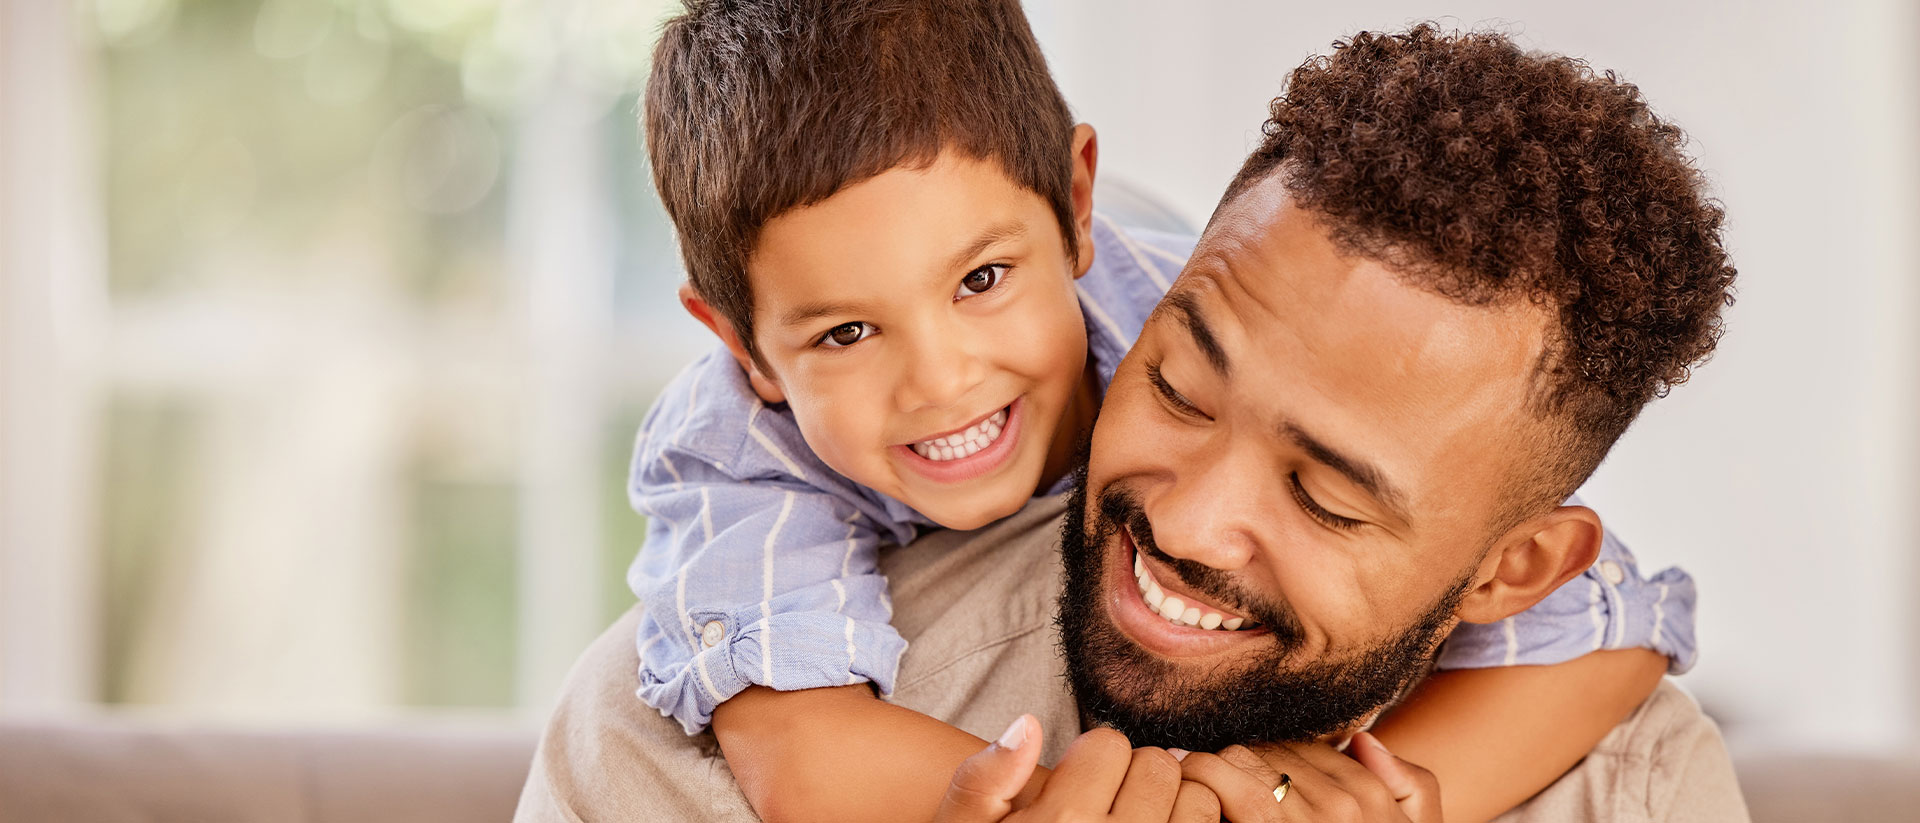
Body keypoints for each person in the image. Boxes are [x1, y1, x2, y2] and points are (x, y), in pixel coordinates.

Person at [609, 2, 1709, 821]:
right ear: (745, 345)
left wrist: (1391, 794)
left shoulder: (1185, 293)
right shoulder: (737, 466)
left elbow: (1616, 629)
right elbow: (797, 742)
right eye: (1178, 389)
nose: (942, 379)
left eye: (1324, 494)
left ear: (1073, 211)